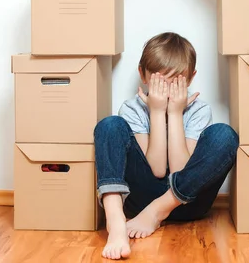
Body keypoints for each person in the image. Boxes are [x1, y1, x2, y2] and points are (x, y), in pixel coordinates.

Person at [93, 32, 239, 260]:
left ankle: (158, 211)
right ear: (142, 74)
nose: (167, 91)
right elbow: (158, 170)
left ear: (190, 79)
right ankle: (116, 221)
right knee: (109, 125)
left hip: (187, 203)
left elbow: (181, 170)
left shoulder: (199, 110)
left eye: (176, 83)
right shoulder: (133, 109)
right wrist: (157, 111)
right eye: (160, 82)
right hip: (140, 203)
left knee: (224, 135)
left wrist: (175, 112)